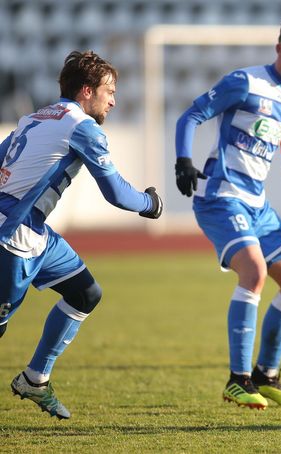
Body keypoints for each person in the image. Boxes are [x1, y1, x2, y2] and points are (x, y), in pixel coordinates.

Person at [0, 50, 163, 419]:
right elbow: (117, 194)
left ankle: (35, 379)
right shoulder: (82, 127)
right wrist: (151, 203)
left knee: (85, 292)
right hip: (13, 237)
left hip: (35, 232)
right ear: (87, 91)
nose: (114, 100)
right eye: (110, 91)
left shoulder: (34, 117)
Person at [174, 12, 281, 410]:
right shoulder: (245, 82)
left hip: (258, 205)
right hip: (220, 197)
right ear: (280, 48)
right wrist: (183, 160)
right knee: (254, 272)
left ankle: (266, 375)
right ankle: (237, 380)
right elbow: (192, 115)